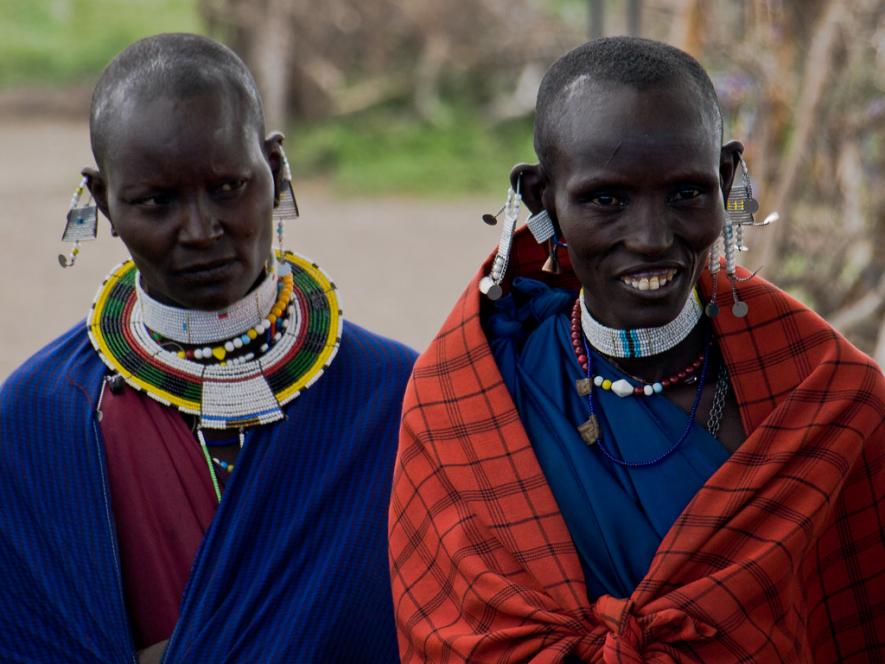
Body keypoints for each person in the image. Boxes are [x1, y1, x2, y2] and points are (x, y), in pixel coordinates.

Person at [389, 37, 884, 662]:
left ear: (726, 179)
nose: (651, 238)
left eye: (686, 193)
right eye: (606, 199)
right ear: (544, 200)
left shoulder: (828, 404)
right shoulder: (465, 409)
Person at [0, 33, 416, 662]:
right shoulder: (42, 417)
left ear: (274, 172)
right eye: (155, 202)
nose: (200, 231)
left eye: (227, 187)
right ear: (104, 202)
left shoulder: (393, 397)